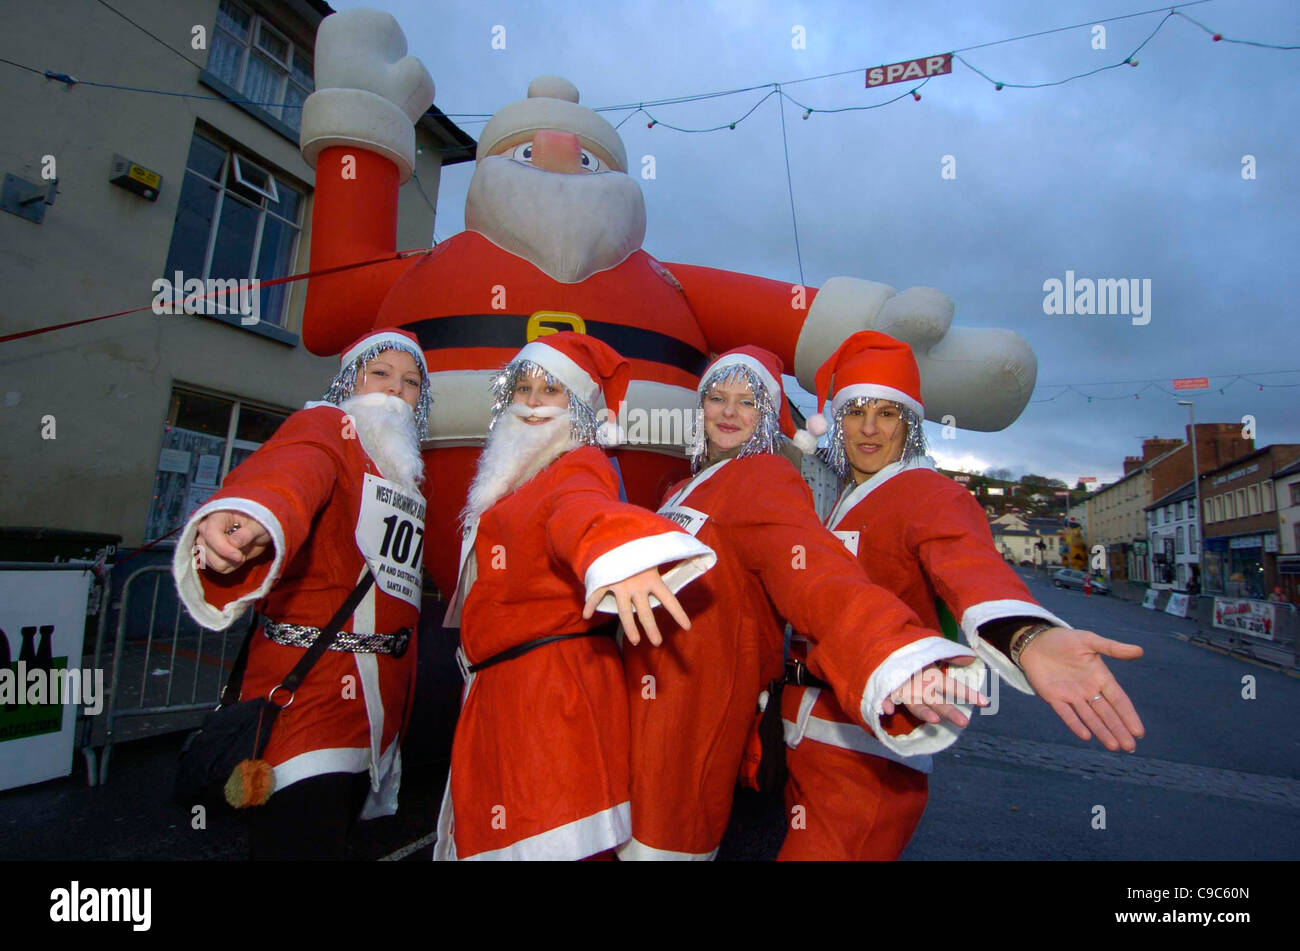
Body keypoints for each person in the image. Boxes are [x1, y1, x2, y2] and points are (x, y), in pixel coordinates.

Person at [780, 330, 1146, 859]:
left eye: (887, 413)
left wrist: (1024, 635)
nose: (868, 428)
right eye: (855, 410)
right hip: (812, 735)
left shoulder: (930, 493)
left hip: (867, 750)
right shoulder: (846, 496)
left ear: (910, 424)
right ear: (835, 420)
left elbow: (965, 559)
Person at [619, 345, 987, 860]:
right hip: (648, 702)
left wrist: (892, 648)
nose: (729, 412)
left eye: (747, 402)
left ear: (769, 416)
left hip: (698, 717)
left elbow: (815, 574)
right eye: (717, 398)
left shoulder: (764, 477)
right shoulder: (679, 488)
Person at [433, 332, 716, 861]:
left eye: (553, 389)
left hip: (549, 699)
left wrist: (618, 554)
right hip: (508, 693)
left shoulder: (577, 464)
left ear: (582, 406)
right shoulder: (516, 476)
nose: (534, 400)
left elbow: (582, 511)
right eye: (524, 386)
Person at [172, 328, 433, 860]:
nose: (393, 390)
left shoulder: (402, 469)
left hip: (374, 707)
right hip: (307, 697)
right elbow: (295, 463)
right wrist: (257, 512)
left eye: (409, 382)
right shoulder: (325, 424)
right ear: (348, 383)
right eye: (378, 373)